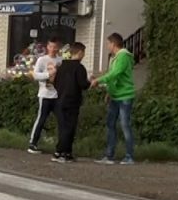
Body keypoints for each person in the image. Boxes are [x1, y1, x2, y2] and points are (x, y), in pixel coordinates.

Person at [96, 32, 136, 164]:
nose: (108, 46)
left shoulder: (123, 56)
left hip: (124, 96)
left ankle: (129, 156)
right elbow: (113, 77)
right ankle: (109, 155)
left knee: (125, 125)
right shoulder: (115, 58)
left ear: (113, 44)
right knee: (110, 124)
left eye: (108, 43)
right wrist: (109, 92)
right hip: (115, 95)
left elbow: (115, 74)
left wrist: (99, 80)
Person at [51, 42, 90, 163]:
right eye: (83, 52)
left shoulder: (62, 66)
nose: (83, 55)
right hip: (72, 101)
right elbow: (83, 85)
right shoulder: (79, 68)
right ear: (79, 53)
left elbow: (55, 83)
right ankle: (61, 152)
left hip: (60, 100)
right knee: (70, 127)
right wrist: (90, 82)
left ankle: (66, 152)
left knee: (63, 127)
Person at [26, 38, 64, 154]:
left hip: (57, 95)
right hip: (45, 94)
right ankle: (33, 143)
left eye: (55, 47)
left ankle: (62, 146)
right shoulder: (42, 60)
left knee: (62, 120)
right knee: (41, 119)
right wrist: (48, 74)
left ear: (58, 47)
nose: (53, 49)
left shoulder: (60, 60)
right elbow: (35, 75)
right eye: (51, 47)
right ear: (47, 47)